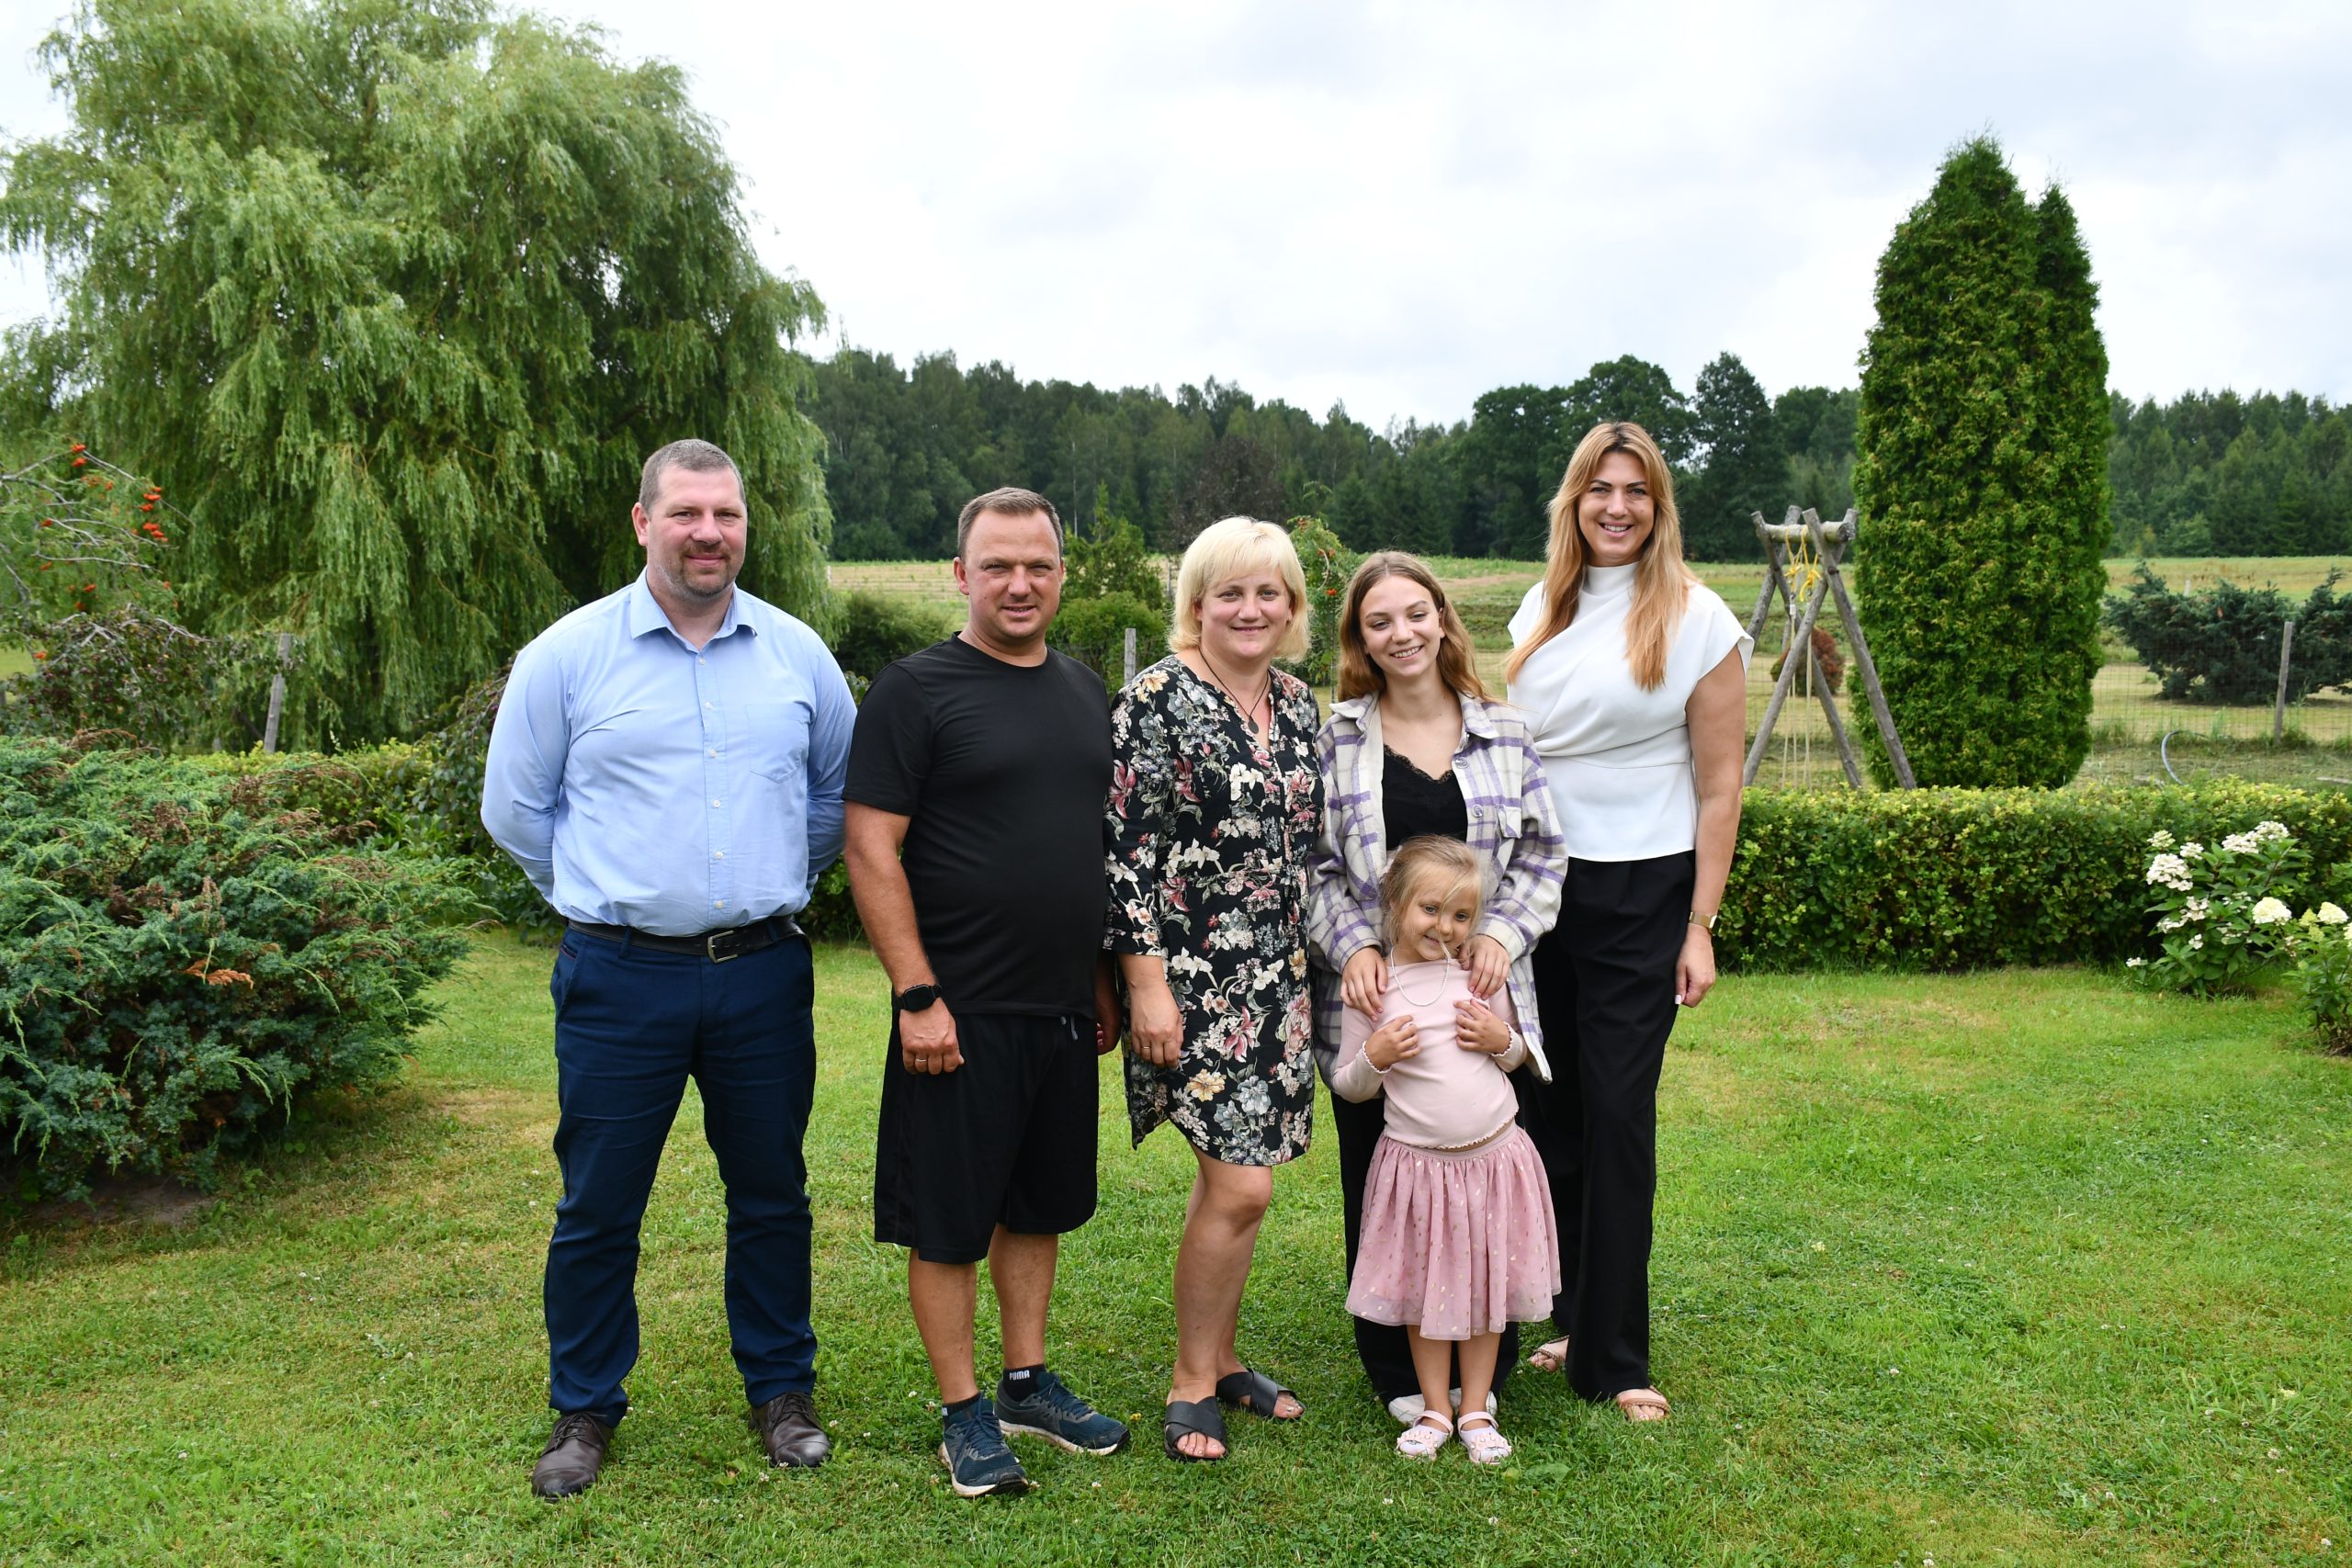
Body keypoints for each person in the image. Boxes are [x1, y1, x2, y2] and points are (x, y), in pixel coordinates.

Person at [481, 437, 855, 1497]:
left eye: (725, 514)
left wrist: (770, 882)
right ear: (644, 522)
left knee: (772, 1194)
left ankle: (780, 1391)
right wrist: (605, 895)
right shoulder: (567, 655)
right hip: (618, 976)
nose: (708, 532)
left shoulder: (797, 657)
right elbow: (515, 809)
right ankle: (585, 1406)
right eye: (686, 512)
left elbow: (835, 797)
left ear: (745, 527)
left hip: (761, 974)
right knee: (599, 1204)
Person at [844, 487, 1130, 1498]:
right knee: (951, 1218)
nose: (1019, 583)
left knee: (1037, 1205)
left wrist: (1097, 978)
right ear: (961, 575)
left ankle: (1024, 1383)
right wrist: (916, 993)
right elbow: (870, 847)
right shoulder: (914, 691)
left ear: (1061, 575)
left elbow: (1083, 848)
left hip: (1059, 1008)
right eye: (998, 566)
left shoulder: (1085, 689)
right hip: (956, 1011)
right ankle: (963, 1411)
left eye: (1038, 566)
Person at [1502, 421, 1751, 1423]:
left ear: (1658, 507)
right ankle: (1570, 1314)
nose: (1617, 506)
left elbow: (1722, 785)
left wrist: (1700, 922)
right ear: (1574, 501)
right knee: (1548, 1107)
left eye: (1636, 490)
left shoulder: (1698, 618)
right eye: (1600, 489)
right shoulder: (1541, 606)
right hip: (1538, 883)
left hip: (1642, 889)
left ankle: (1616, 1355)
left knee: (1615, 1112)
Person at [1305, 550, 1566, 1426]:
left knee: (1483, 1176)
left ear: (1443, 619)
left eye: (1416, 613)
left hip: (1480, 997)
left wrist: (1500, 932)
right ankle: (1396, 1366)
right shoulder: (1338, 739)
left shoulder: (1506, 733)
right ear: (1360, 639)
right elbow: (1312, 865)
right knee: (1384, 1185)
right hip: (1377, 1003)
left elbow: (1543, 856)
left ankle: (1487, 1367)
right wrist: (1352, 945)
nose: (1402, 633)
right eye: (1379, 621)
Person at [1105, 515, 1324, 1462]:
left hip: (1278, 979)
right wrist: (1145, 985)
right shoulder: (1154, 700)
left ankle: (1224, 1358)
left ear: (1292, 606)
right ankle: (1192, 1380)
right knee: (1241, 1185)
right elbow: (1125, 853)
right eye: (1228, 592)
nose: (1249, 608)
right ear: (1195, 604)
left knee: (1235, 1188)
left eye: (1268, 591)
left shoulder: (1299, 704)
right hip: (1191, 980)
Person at [1329, 837, 1561, 1464]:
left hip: (1493, 1160)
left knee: (1486, 1286)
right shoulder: (1374, 986)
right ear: (1395, 904)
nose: (1446, 926)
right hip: (1417, 1169)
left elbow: (1519, 1056)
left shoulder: (1480, 975)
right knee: (1423, 1289)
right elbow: (1348, 1084)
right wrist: (1375, 1056)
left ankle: (1477, 1406)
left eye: (1461, 914)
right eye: (1430, 909)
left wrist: (1500, 1038)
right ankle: (1435, 1405)